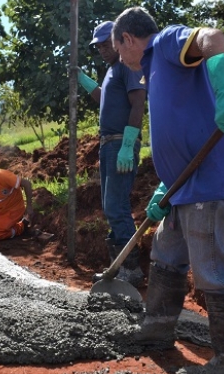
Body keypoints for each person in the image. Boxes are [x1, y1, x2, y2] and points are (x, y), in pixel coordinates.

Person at [111, 7, 224, 374]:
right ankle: (156, 328)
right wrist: (164, 185)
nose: (122, 60)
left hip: (212, 179)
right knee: (165, 254)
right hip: (184, 186)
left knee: (210, 269)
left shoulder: (166, 42)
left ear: (127, 39)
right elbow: (179, 127)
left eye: (119, 50)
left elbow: (214, 38)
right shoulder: (154, 68)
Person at [76, 21, 147, 288]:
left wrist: (129, 143)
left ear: (119, 41)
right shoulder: (111, 71)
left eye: (107, 43)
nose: (103, 49)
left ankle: (131, 269)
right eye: (99, 46)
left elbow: (138, 101)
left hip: (121, 142)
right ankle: (119, 267)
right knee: (110, 207)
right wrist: (82, 79)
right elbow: (104, 98)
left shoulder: (130, 66)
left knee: (117, 206)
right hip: (107, 144)